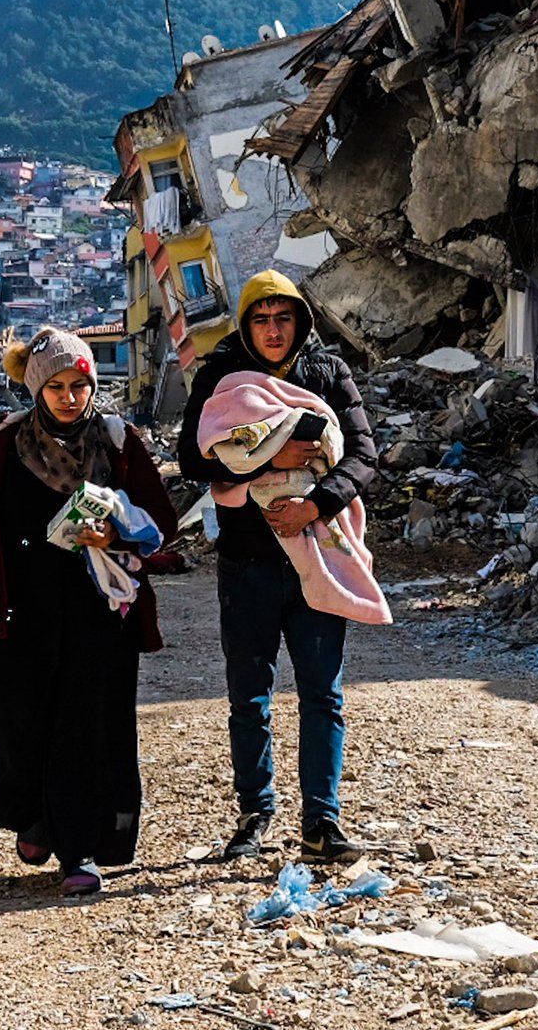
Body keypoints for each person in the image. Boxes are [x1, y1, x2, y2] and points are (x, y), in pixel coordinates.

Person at [0, 327, 178, 895]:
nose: (70, 397)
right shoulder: (4, 446)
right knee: (18, 729)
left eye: (80, 385)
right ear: (37, 391)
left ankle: (80, 851)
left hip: (97, 616)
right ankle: (37, 820)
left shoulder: (118, 443)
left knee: (86, 730)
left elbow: (162, 522)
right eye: (57, 387)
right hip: (20, 612)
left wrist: (114, 533)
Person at [179, 270, 377, 863]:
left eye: (282, 317)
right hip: (248, 563)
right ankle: (254, 812)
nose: (272, 330)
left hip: (317, 551)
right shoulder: (218, 373)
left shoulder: (328, 372)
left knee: (323, 693)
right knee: (249, 695)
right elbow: (191, 455)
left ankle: (322, 822)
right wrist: (267, 457)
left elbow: (364, 453)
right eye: (260, 319)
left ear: (301, 320)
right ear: (245, 324)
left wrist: (316, 503)